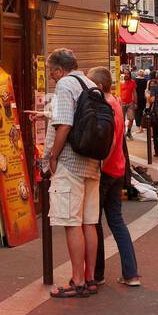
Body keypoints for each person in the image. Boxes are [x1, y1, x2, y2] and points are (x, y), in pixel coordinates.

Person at [43, 49, 103, 299]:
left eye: (51, 74)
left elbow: (65, 124)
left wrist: (53, 155)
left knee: (70, 222)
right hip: (92, 162)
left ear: (59, 69)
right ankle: (89, 278)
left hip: (70, 162)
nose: (52, 78)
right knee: (89, 222)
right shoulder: (89, 83)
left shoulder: (66, 84)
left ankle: (76, 281)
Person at [89, 67, 141, 288]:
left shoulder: (106, 106)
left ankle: (98, 273)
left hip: (106, 171)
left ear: (99, 86)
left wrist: (100, 164)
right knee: (117, 222)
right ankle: (131, 273)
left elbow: (109, 142)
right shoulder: (117, 103)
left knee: (94, 221)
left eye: (91, 84)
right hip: (118, 169)